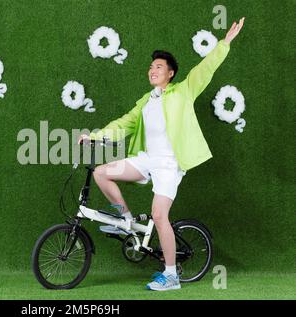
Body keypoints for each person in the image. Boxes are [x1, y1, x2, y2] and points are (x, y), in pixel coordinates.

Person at [78, 17, 245, 291]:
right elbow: (123, 124)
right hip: (147, 159)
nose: (152, 70)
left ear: (170, 74)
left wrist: (224, 43)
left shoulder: (183, 92)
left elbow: (204, 70)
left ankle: (171, 276)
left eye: (158, 67)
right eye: (151, 67)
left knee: (159, 215)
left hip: (169, 164)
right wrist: (94, 137)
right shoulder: (146, 101)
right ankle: (127, 221)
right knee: (102, 173)